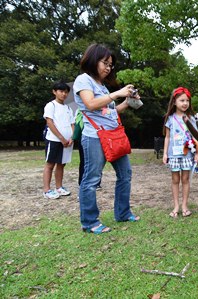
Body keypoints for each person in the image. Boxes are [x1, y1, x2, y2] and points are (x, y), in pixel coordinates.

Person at [73, 43, 140, 234]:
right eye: (105, 63)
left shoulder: (102, 86)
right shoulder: (83, 80)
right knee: (92, 179)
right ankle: (89, 222)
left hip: (113, 136)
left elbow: (110, 112)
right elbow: (91, 104)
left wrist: (128, 101)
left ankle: (123, 213)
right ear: (94, 60)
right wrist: (117, 93)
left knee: (125, 174)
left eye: (110, 65)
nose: (108, 68)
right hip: (94, 137)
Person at [163, 87, 198, 218]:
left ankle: (185, 205)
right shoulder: (170, 119)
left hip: (187, 154)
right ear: (174, 102)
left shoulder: (191, 119)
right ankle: (176, 206)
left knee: (185, 179)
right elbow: (167, 137)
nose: (185, 103)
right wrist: (165, 153)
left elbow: (196, 137)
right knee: (175, 180)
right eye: (181, 100)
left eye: (187, 100)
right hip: (173, 154)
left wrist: (197, 153)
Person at [42, 82, 75, 199]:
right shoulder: (51, 105)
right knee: (50, 164)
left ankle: (59, 187)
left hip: (68, 142)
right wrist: (61, 138)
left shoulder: (68, 108)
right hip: (54, 140)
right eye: (61, 91)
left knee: (61, 164)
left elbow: (72, 124)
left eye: (66, 92)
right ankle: (46, 190)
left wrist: (71, 138)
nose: (64, 94)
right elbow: (49, 122)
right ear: (54, 92)